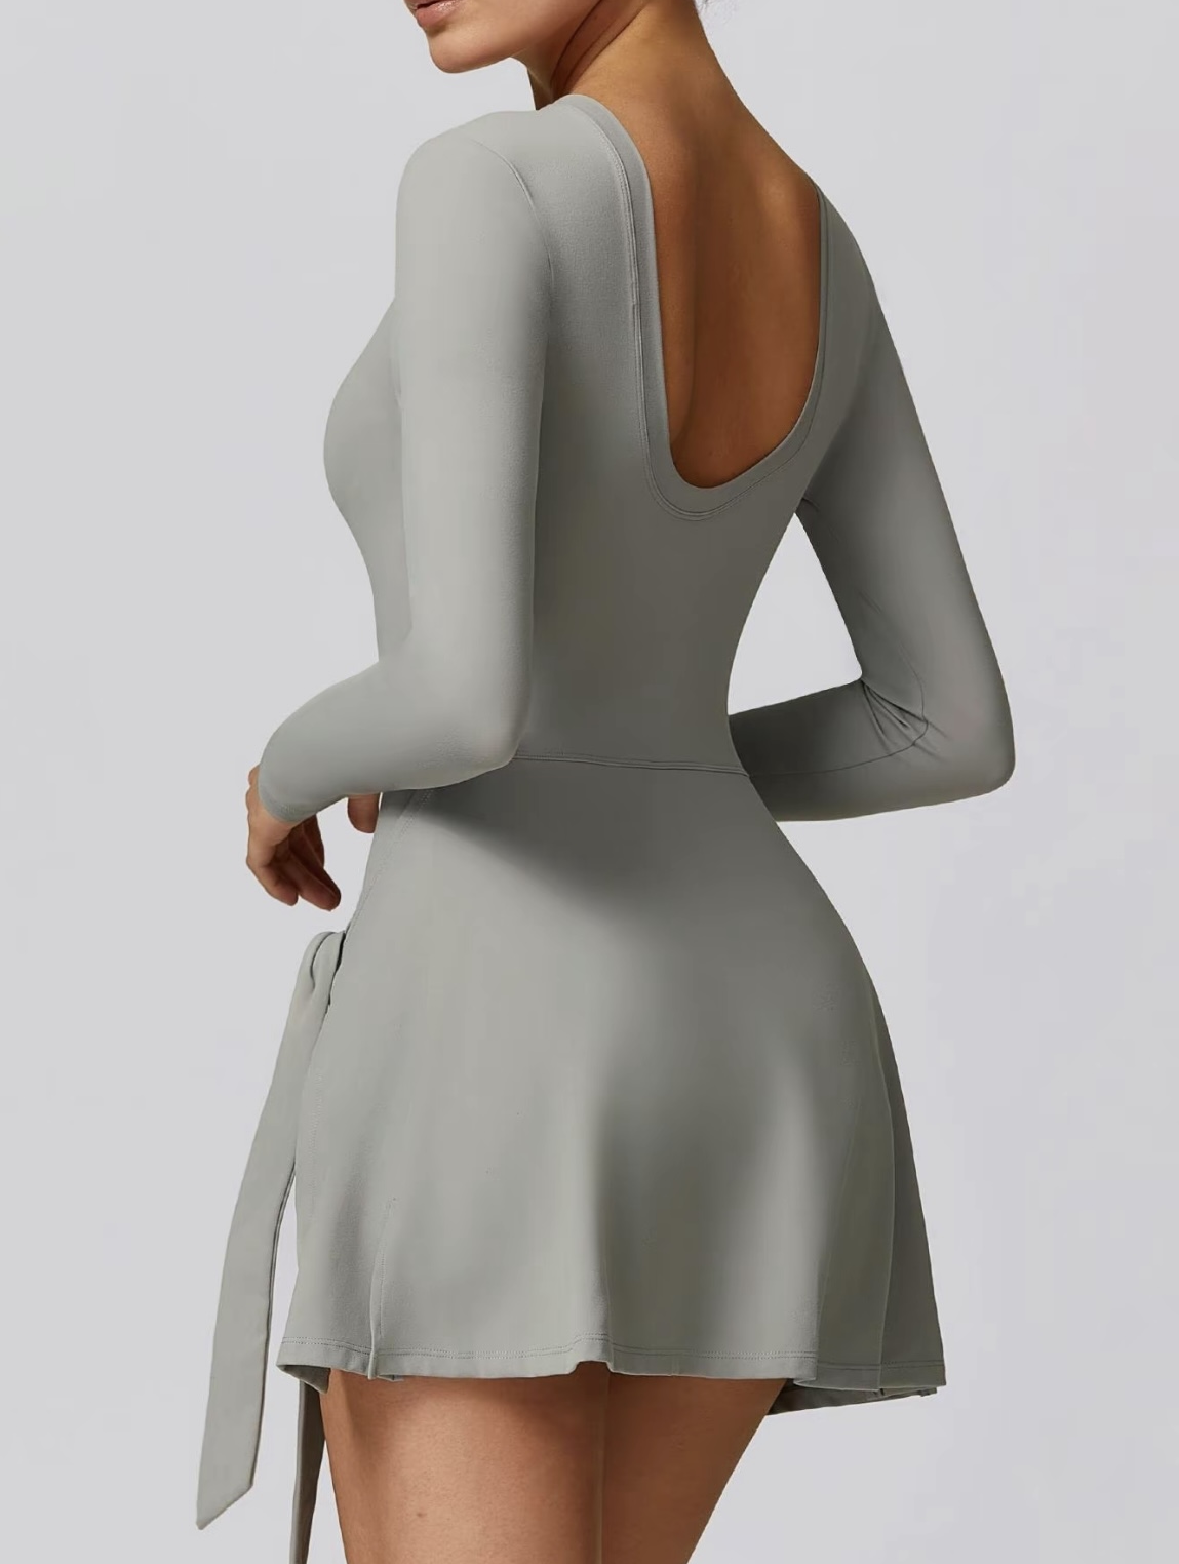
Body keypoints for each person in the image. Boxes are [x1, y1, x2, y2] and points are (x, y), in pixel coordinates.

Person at [197, 2, 1016, 1560]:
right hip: (755, 1051)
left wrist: (284, 773)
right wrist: (659, 764)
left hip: (495, 1019)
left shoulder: (489, 182)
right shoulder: (816, 243)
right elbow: (946, 724)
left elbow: (463, 694)